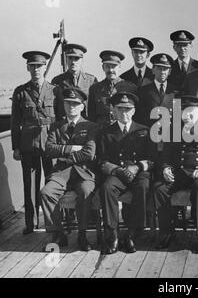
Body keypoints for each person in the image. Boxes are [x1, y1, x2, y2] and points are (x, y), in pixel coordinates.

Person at [151, 95, 198, 253]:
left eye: (192, 112)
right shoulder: (173, 130)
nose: (188, 115)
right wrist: (165, 168)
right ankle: (167, 232)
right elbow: (165, 155)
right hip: (180, 173)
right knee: (160, 189)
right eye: (185, 111)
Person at [40, 88, 98, 251]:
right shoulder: (55, 126)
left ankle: (82, 234)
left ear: (82, 106)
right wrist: (72, 148)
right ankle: (58, 233)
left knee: (86, 191)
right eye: (68, 103)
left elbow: (89, 152)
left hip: (83, 172)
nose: (71, 107)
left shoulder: (91, 126)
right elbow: (49, 149)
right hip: (61, 173)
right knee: (46, 193)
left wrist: (65, 155)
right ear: (64, 105)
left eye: (75, 104)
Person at [97, 92, 154, 254]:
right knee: (107, 188)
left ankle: (132, 233)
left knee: (143, 186)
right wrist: (116, 170)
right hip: (117, 173)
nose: (124, 113)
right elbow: (101, 161)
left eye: (128, 109)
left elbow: (152, 159)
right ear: (113, 110)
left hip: (138, 172)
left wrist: (136, 167)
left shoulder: (144, 130)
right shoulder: (106, 132)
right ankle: (112, 234)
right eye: (120, 109)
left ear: (134, 111)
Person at [11, 51, 59, 234]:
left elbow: (61, 119)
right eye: (32, 66)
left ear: (45, 67)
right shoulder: (20, 92)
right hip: (28, 143)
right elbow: (15, 122)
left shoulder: (55, 90)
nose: (36, 69)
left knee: (51, 182)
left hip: (50, 142)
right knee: (30, 184)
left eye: (39, 66)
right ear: (28, 68)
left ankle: (51, 221)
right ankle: (30, 223)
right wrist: (16, 147)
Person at [88, 50, 137, 128]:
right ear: (103, 67)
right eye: (107, 66)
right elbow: (92, 117)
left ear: (120, 67)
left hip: (121, 133)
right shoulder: (95, 88)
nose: (110, 70)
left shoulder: (129, 87)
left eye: (113, 66)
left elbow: (135, 115)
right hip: (101, 133)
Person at [52, 43, 97, 119]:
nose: (73, 62)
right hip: (64, 124)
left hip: (86, 124)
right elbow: (55, 107)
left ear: (82, 60)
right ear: (66, 59)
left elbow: (95, 107)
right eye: (70, 58)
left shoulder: (91, 81)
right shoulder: (57, 81)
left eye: (76, 58)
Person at [135, 53, 177, 127]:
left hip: (169, 135)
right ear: (153, 70)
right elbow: (139, 117)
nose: (162, 72)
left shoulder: (175, 92)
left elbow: (177, 118)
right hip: (150, 133)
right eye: (159, 68)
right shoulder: (143, 91)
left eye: (165, 69)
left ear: (169, 71)